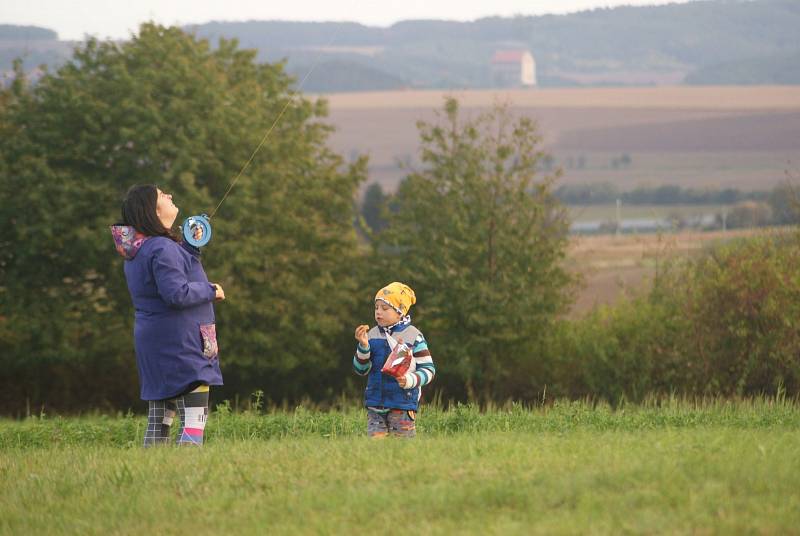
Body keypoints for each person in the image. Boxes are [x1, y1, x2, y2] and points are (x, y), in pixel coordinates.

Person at [110, 184, 225, 447]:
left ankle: (153, 472)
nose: (170, 196)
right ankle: (186, 471)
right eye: (162, 195)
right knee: (194, 420)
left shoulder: (141, 249)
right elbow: (176, 294)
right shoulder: (162, 248)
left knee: (160, 419)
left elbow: (172, 269)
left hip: (154, 341)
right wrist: (211, 290)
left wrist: (191, 247)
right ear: (152, 210)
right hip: (181, 341)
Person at [352, 282, 435, 438]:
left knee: (402, 449)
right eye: (376, 307)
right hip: (375, 404)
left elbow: (429, 370)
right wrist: (363, 346)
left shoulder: (413, 336)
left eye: (385, 308)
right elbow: (360, 369)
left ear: (400, 312)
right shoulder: (371, 335)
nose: (378, 312)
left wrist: (409, 380)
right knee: (375, 450)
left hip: (402, 404)